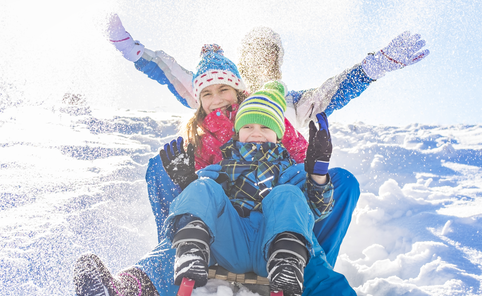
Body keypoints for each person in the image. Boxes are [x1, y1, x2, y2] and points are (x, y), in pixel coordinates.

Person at [74, 82, 419, 296]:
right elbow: (206, 201)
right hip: (233, 244)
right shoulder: (219, 168)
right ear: (238, 133)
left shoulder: (292, 172)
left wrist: (316, 176)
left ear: (278, 135)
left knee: (298, 221)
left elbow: (320, 208)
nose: (256, 132)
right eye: (248, 126)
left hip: (283, 251)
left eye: (265, 127)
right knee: (204, 188)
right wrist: (188, 185)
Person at [104, 13, 429, 233]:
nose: (264, 62)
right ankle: (174, 252)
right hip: (222, 211)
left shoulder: (286, 102)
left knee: (341, 183)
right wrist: (131, 49)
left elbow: (330, 93)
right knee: (162, 166)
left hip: (278, 209)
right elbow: (171, 73)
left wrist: (374, 67)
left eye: (270, 56)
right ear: (242, 63)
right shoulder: (221, 94)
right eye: (256, 55)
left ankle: (312, 269)